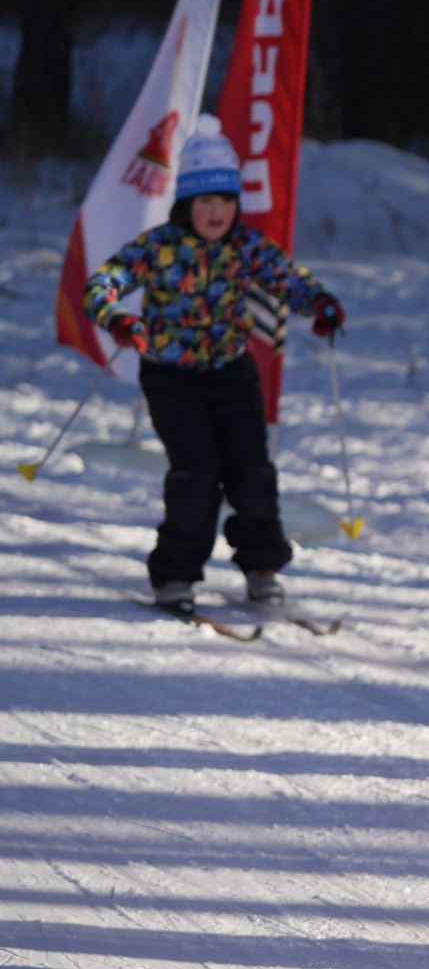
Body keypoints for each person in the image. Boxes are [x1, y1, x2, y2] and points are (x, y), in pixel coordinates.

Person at [84, 116, 345, 615]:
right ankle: (175, 573)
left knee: (251, 469)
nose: (217, 212)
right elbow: (104, 282)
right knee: (198, 471)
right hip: (171, 376)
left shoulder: (244, 245)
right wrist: (116, 317)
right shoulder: (159, 246)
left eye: (226, 201)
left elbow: (289, 277)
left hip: (231, 371)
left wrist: (320, 303)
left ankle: (261, 567)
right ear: (186, 203)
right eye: (205, 201)